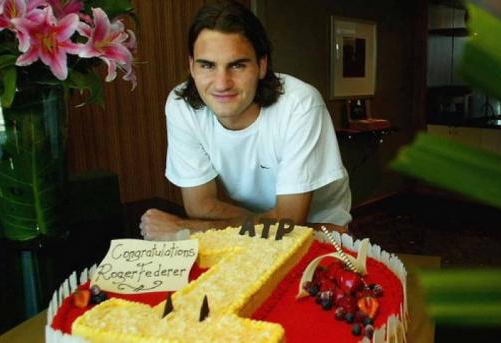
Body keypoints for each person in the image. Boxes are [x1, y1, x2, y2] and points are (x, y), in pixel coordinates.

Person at [140, 0, 351, 241]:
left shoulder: (300, 104)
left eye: (237, 65)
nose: (222, 83)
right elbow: (200, 206)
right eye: (207, 65)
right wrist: (274, 224)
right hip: (302, 229)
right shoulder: (182, 106)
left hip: (323, 237)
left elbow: (289, 222)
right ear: (192, 66)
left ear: (262, 65)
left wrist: (188, 229)